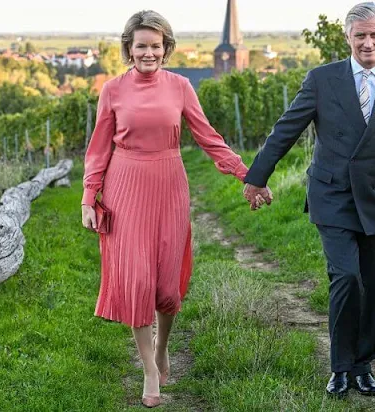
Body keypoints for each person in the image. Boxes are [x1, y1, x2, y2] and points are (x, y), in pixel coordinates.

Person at [80, 10, 266, 408]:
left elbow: (209, 138)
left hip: (169, 183)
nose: (149, 52)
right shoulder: (112, 90)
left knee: (166, 285)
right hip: (125, 184)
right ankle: (148, 367)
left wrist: (247, 174)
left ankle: (163, 345)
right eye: (141, 45)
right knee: (137, 281)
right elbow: (98, 150)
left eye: (156, 45)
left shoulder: (181, 86)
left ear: (166, 49)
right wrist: (88, 197)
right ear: (129, 48)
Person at [242, 1, 375, 398]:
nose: (368, 43)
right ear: (347, 38)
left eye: (374, 35)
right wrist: (256, 177)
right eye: (359, 35)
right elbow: (285, 130)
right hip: (332, 194)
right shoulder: (322, 79)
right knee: (346, 277)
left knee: (371, 284)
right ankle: (340, 368)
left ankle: (364, 365)